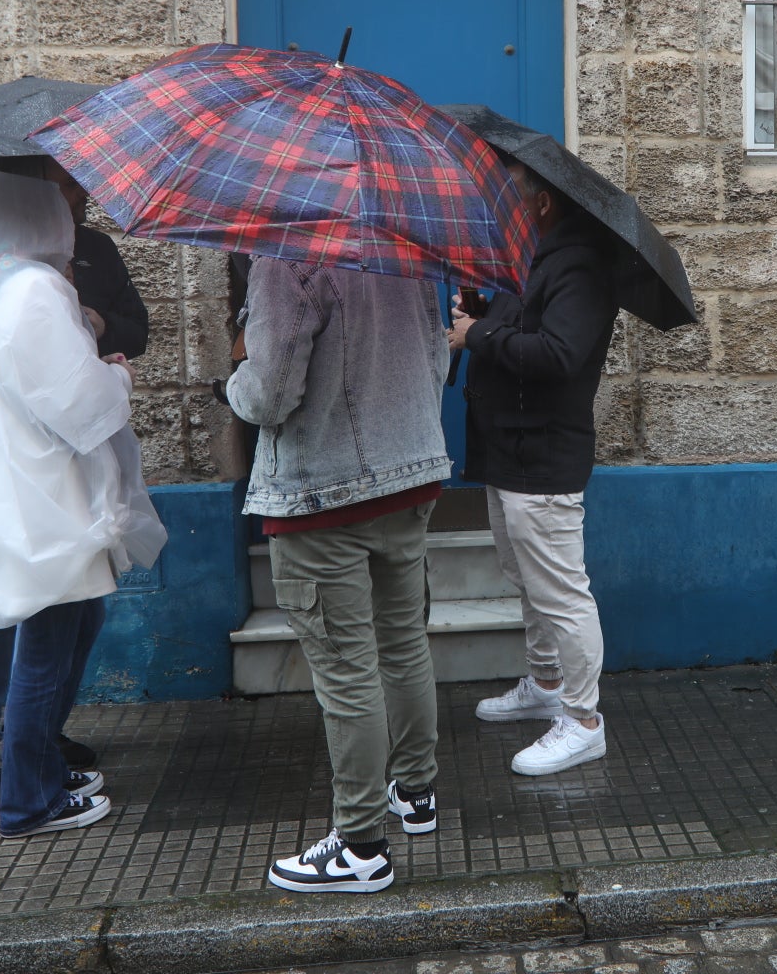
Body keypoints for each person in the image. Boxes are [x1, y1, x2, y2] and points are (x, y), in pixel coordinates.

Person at [0, 162, 165, 837]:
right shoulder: (33, 289)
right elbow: (78, 406)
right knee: (49, 642)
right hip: (46, 498)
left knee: (63, 631)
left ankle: (41, 771)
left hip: (5, 491)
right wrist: (117, 380)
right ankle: (31, 798)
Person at [227, 257, 449, 894]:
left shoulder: (288, 253)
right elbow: (438, 361)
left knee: (347, 668)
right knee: (404, 645)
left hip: (321, 492)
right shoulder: (403, 244)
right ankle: (416, 794)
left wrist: (232, 384)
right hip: (410, 472)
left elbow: (269, 393)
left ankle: (360, 846)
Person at [449, 161, 619, 777]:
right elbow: (517, 328)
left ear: (542, 203)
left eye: (511, 199)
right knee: (524, 576)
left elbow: (560, 354)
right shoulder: (535, 258)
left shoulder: (579, 266)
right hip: (509, 452)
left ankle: (582, 721)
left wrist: (477, 336)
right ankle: (546, 682)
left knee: (562, 592)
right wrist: (480, 314)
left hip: (544, 456)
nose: (501, 211)